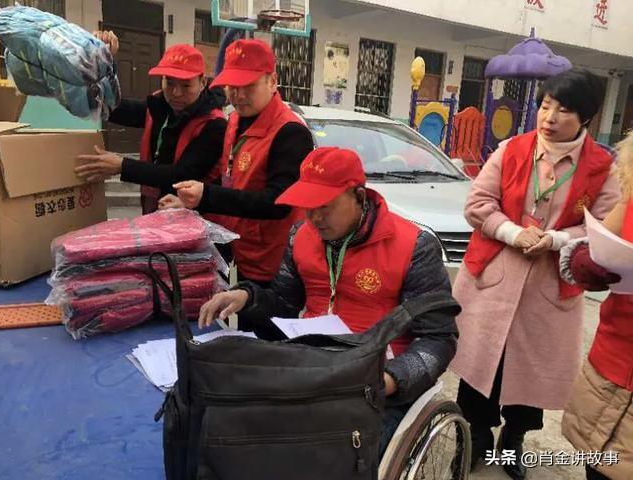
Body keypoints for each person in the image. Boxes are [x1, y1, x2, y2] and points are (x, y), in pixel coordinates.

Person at [197, 147, 461, 457]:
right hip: (311, 366)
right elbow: (283, 302)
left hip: (375, 378)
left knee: (333, 454)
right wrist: (247, 297)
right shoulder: (301, 236)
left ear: (358, 196)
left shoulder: (414, 246)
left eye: (325, 206)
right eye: (308, 206)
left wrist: (390, 380)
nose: (314, 218)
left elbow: (438, 338)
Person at [449, 69, 621, 479]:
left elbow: (604, 226)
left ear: (586, 117)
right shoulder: (511, 149)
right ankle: (476, 437)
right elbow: (478, 204)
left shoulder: (602, 168)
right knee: (481, 367)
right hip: (494, 279)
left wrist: (557, 239)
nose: (550, 117)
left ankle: (513, 441)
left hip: (549, 284)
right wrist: (512, 232)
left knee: (530, 375)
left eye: (564, 110)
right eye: (546, 106)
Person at [158, 39, 314, 337]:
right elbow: (230, 180)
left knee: (267, 341)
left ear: (272, 81)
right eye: (232, 86)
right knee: (239, 333)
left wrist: (207, 196)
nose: (238, 95)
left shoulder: (290, 132)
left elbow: (277, 203)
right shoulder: (235, 120)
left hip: (273, 263)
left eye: (248, 86)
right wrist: (192, 201)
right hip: (240, 252)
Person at [75, 31, 227, 214]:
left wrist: (122, 166)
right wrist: (102, 59)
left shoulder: (215, 124)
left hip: (195, 218)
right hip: (155, 209)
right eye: (169, 83)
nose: (176, 93)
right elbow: (111, 107)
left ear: (202, 82)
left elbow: (182, 174)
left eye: (186, 85)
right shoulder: (159, 106)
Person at [559, 130, 633, 480]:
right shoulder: (631, 197)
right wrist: (586, 260)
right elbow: (601, 239)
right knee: (598, 467)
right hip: (611, 367)